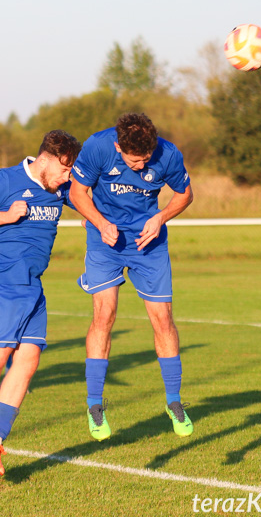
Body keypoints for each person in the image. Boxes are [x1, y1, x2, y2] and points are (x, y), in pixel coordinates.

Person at [0, 130, 81, 476]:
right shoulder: (5, 180)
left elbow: (87, 199)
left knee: (28, 359)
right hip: (0, 280)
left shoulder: (61, 188)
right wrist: (7, 216)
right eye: (63, 169)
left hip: (32, 284)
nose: (66, 176)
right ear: (44, 160)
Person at [69, 112, 194, 442]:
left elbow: (184, 194)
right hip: (105, 239)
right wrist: (98, 221)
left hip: (148, 243)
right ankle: (95, 406)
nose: (140, 166)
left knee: (162, 319)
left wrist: (161, 217)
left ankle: (174, 402)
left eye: (145, 159)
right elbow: (77, 193)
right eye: (133, 160)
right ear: (117, 146)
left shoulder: (168, 154)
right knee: (104, 314)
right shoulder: (97, 147)